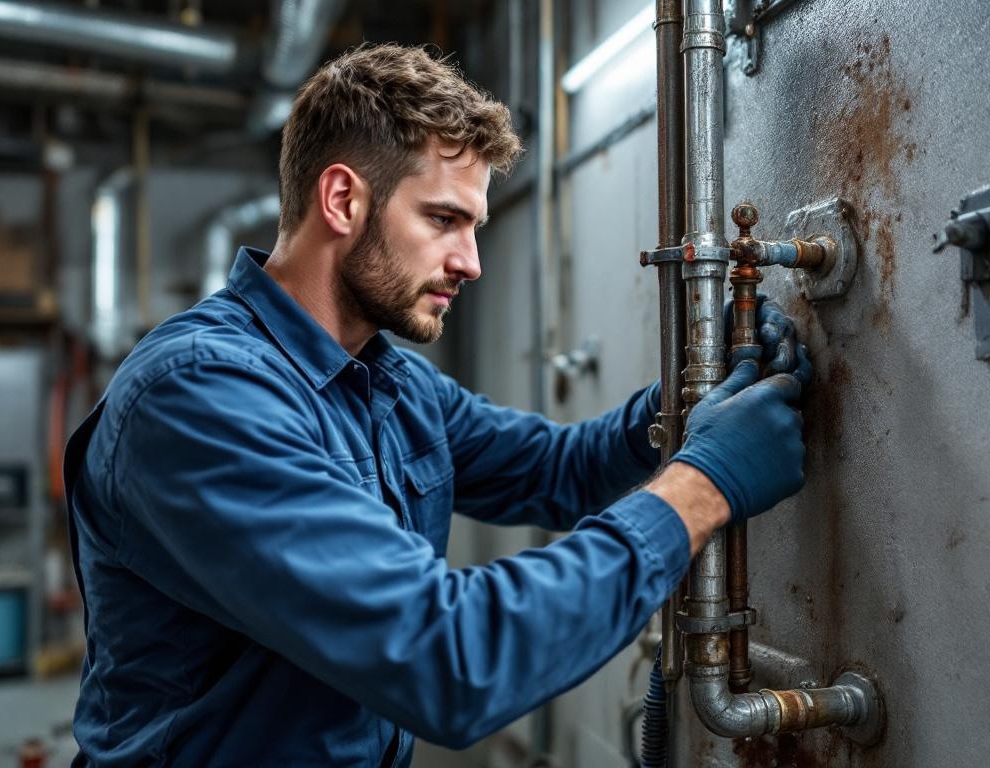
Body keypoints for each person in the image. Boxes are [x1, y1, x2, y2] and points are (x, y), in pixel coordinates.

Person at [63, 44, 810, 767]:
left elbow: (558, 470)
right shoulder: (199, 395)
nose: (471, 262)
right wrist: (704, 486)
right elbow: (448, 661)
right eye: (444, 220)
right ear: (343, 199)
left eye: (473, 227)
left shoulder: (389, 382)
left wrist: (683, 401)